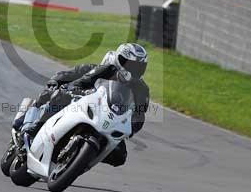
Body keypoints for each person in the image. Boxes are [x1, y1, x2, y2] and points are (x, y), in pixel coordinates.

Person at [15, 43, 150, 168]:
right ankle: (33, 128)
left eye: (138, 67)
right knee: (58, 94)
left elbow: (140, 113)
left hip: (107, 119)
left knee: (120, 157)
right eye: (130, 65)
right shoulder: (95, 69)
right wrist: (59, 83)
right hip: (79, 104)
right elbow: (68, 75)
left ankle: (80, 160)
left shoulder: (141, 89)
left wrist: (131, 128)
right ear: (119, 60)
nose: (134, 70)